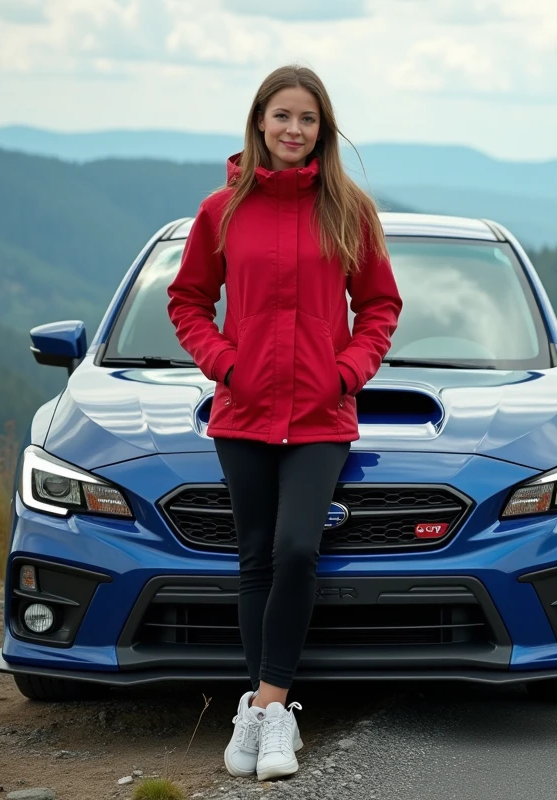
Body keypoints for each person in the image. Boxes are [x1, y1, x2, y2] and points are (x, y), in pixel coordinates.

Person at [166, 64, 402, 781]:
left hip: (322, 416)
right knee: (256, 559)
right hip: (243, 413)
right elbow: (188, 302)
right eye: (282, 117)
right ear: (259, 122)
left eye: (307, 119)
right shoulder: (222, 209)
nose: (293, 130)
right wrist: (226, 365)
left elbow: (381, 307)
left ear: (321, 131)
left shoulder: (350, 209)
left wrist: (344, 373)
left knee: (299, 549)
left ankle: (269, 707)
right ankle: (263, 715)